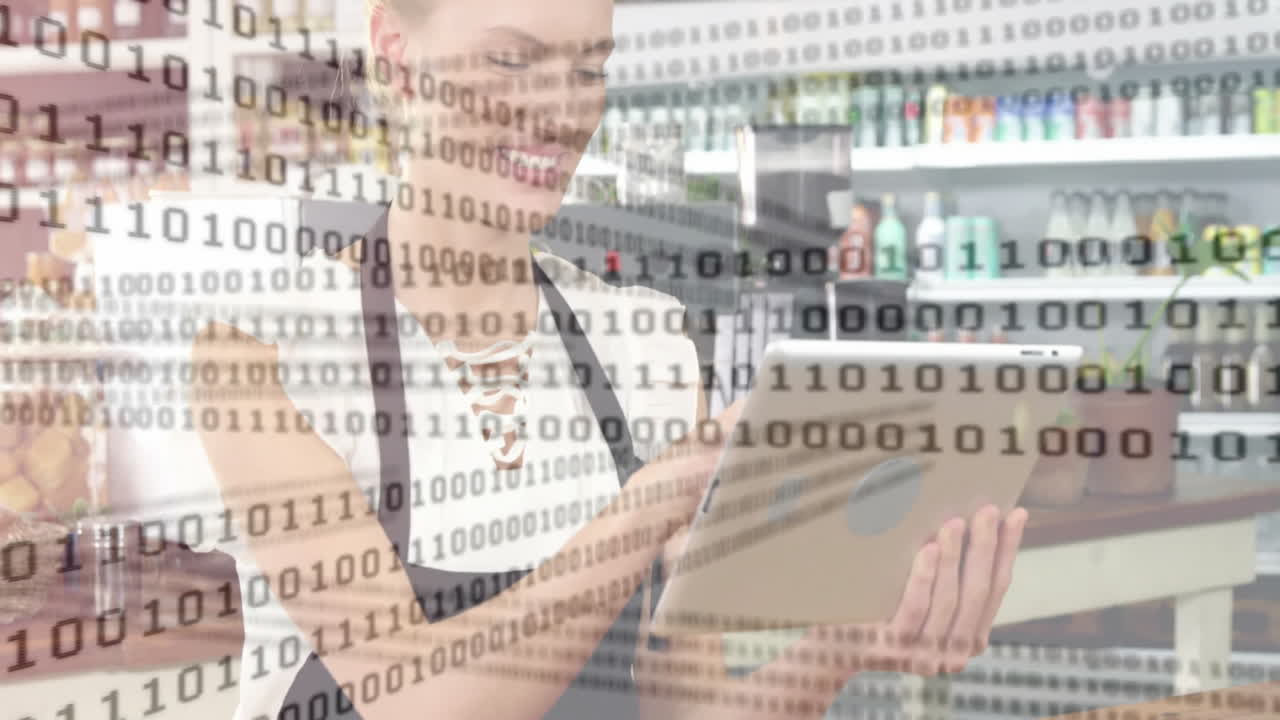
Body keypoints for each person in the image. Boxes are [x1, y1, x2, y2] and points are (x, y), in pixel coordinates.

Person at [185, 0, 1030, 718]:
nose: (560, 111)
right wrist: (651, 503)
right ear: (400, 62)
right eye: (513, 60)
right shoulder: (263, 355)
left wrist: (845, 644)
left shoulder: (647, 344)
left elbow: (686, 706)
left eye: (590, 68)